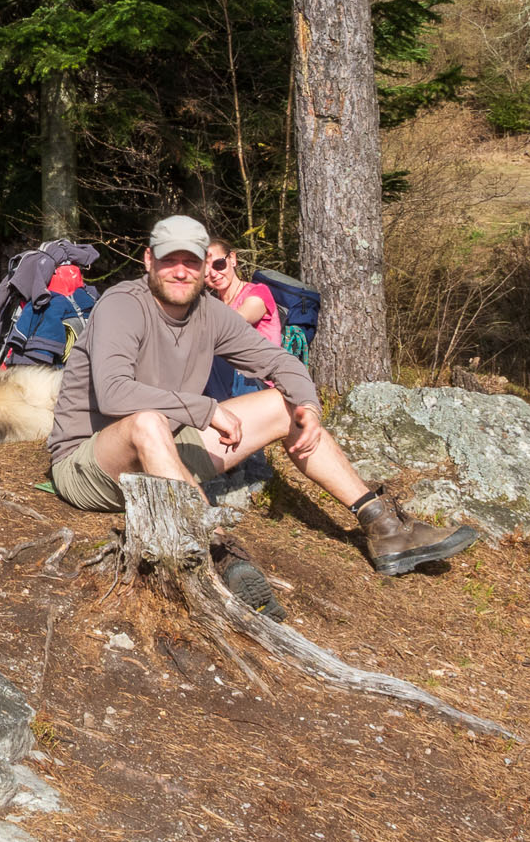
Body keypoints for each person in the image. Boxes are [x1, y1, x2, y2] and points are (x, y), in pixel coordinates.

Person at [46, 215, 479, 577]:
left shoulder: (209, 313)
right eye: (169, 261)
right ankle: (216, 555)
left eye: (192, 261)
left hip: (167, 448)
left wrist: (308, 405)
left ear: (205, 266)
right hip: (91, 463)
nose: (181, 271)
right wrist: (206, 409)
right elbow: (114, 393)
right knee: (146, 421)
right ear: (148, 261)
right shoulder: (124, 304)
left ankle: (383, 526)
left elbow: (279, 363)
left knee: (281, 405)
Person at [203, 237, 279, 400]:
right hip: (227, 381)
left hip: (257, 382)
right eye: (205, 271)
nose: (214, 274)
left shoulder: (258, 293)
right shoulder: (214, 305)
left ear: (232, 259)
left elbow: (239, 319)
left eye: (218, 264)